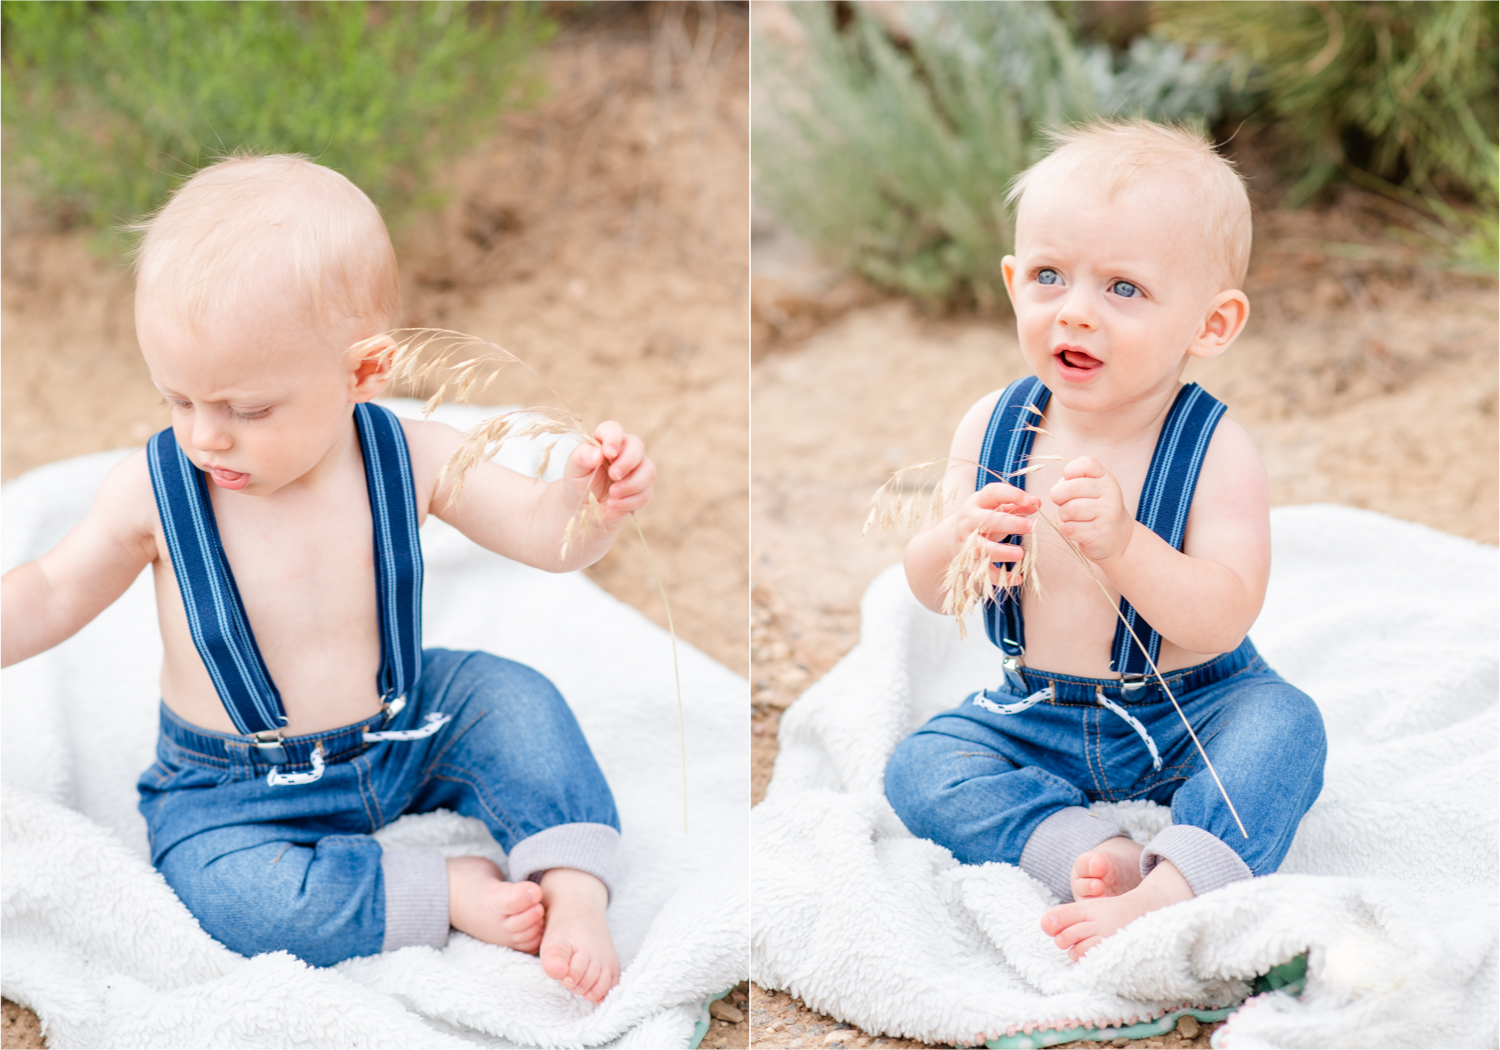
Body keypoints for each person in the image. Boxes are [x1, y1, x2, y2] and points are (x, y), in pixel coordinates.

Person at [0, 154, 655, 1004]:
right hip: (233, 786)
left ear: (364, 372)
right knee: (230, 895)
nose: (206, 436)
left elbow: (539, 530)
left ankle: (571, 886)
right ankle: (437, 891)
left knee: (516, 703)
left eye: (247, 409)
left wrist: (585, 507)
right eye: (178, 400)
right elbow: (53, 590)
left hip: (405, 726)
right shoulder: (155, 494)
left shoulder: (409, 456)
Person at [883, 119, 1327, 960]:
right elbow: (932, 590)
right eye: (1049, 276)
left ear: (1211, 324)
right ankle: (1084, 849)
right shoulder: (994, 425)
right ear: (1013, 283)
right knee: (920, 767)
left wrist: (1126, 546)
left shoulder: (1214, 450)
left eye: (1123, 288)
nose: (1076, 311)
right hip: (1039, 713)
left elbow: (1223, 617)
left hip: (1193, 707)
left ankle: (1177, 882)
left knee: (1286, 728)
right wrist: (958, 542)